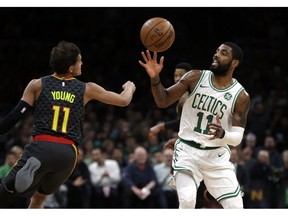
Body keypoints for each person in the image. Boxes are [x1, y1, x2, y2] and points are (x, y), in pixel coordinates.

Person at [0, 41, 136, 208]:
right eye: (80, 60)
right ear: (71, 67)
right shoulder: (87, 88)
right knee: (39, 198)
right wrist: (129, 87)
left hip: (41, 147)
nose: (82, 63)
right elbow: (123, 101)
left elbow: (14, 116)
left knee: (4, 194)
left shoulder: (38, 84)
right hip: (68, 154)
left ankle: (13, 186)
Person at [139, 42, 250, 208]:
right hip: (187, 152)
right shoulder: (195, 77)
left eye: (224, 53)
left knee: (236, 208)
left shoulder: (240, 96)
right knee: (188, 200)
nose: (217, 55)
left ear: (234, 62)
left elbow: (237, 138)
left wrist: (223, 135)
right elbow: (163, 101)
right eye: (217, 50)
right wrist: (155, 78)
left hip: (217, 157)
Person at [148, 62, 192, 149]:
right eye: (175, 75)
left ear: (189, 77)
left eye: (181, 75)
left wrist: (161, 126)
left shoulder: (191, 96)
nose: (177, 79)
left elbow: (186, 121)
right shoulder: (180, 95)